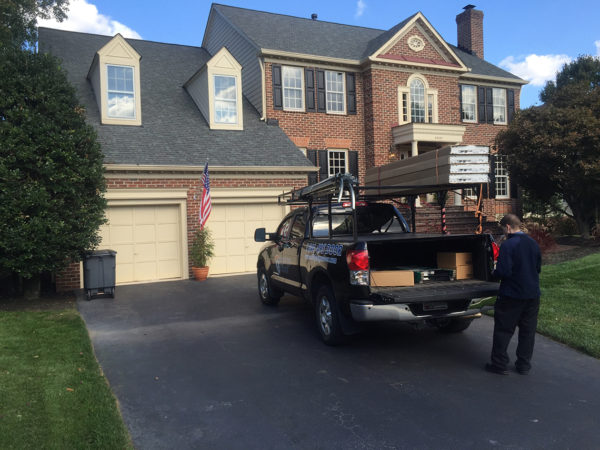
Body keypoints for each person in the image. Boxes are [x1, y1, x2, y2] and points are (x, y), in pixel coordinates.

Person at [485, 214, 541, 375]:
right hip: (532, 294)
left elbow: (504, 271)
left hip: (512, 295)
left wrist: (492, 273)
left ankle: (499, 364)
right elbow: (537, 268)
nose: (503, 232)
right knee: (528, 331)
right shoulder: (533, 243)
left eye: (503, 229)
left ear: (508, 227)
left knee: (503, 330)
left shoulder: (508, 245)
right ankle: (523, 365)